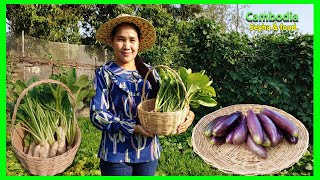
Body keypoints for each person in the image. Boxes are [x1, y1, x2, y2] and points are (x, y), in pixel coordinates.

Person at [90, 14, 195, 176]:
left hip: (148, 152)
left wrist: (188, 113)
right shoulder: (104, 74)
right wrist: (132, 127)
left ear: (138, 43)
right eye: (120, 39)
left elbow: (167, 105)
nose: (126, 45)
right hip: (116, 155)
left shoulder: (150, 73)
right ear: (112, 42)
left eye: (132, 40)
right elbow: (97, 114)